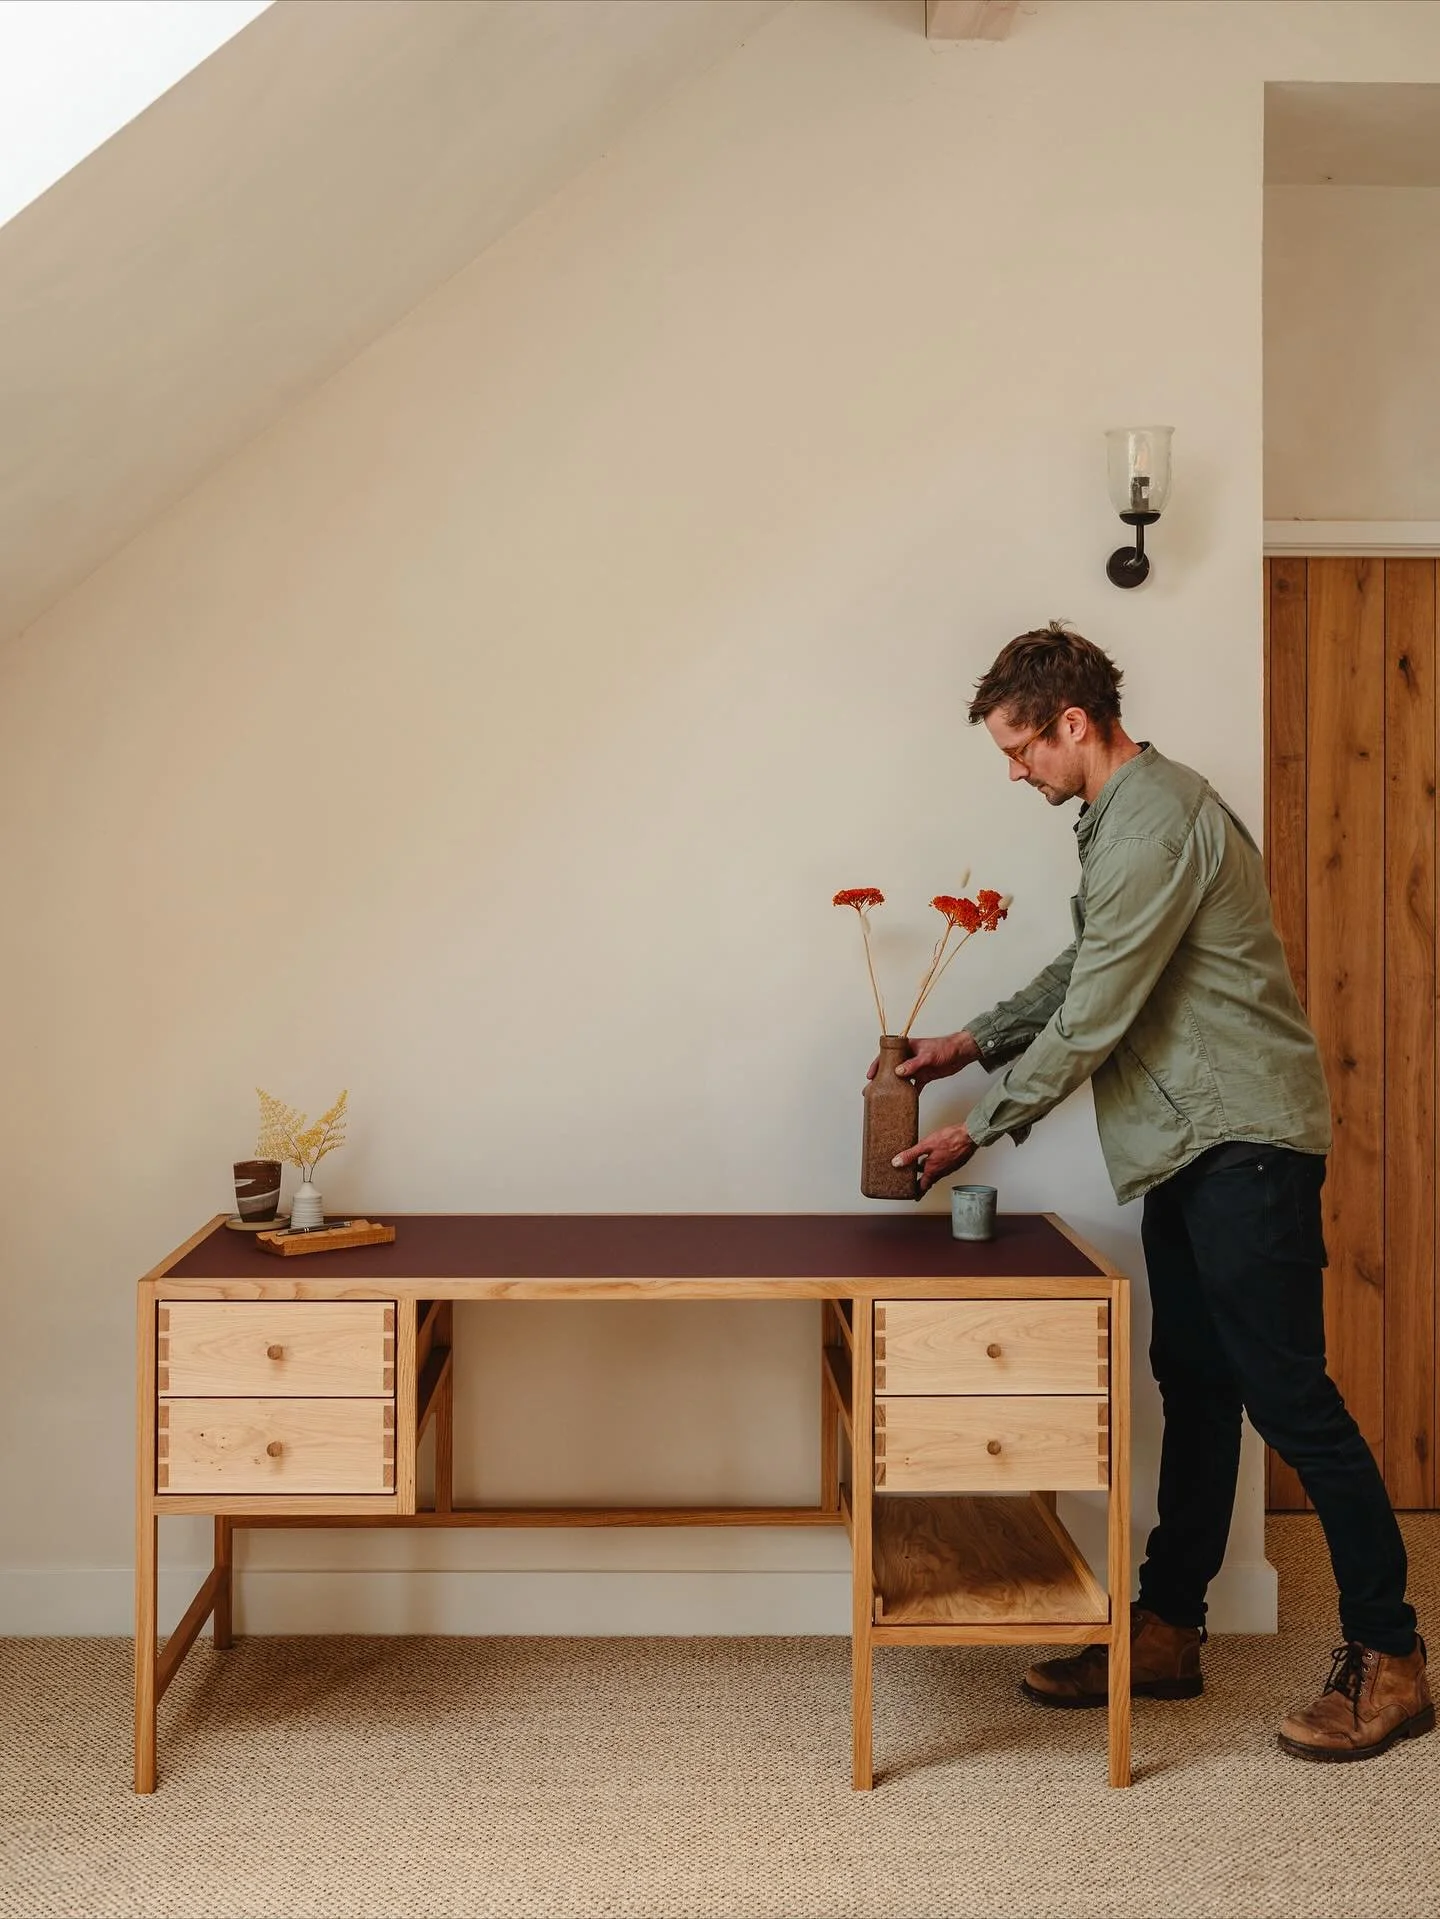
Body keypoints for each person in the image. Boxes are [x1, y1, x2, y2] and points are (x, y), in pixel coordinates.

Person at [883, 619, 1431, 1763]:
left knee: (1291, 1399)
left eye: (1020, 747)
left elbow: (1097, 1011)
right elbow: (1083, 968)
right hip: (1190, 1144)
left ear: (1072, 721)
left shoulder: (1157, 818)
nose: (1016, 769)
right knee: (1195, 1383)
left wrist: (974, 1130)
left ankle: (1391, 1658)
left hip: (1244, 1141)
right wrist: (968, 1043)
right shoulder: (1122, 821)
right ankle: (1171, 1628)